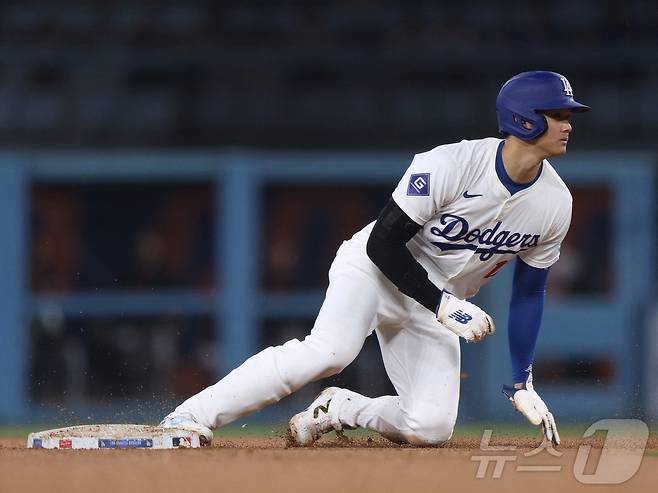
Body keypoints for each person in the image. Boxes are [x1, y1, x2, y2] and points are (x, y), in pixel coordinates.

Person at [160, 71, 588, 447]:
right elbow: (381, 245)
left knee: (432, 426)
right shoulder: (450, 164)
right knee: (329, 352)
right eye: (558, 115)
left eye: (568, 116)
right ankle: (191, 415)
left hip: (437, 303)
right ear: (524, 118)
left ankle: (341, 408)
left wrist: (521, 381)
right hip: (376, 272)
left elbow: (530, 293)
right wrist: (442, 304)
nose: (567, 125)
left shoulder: (555, 204)